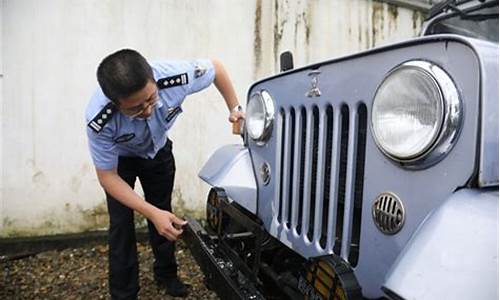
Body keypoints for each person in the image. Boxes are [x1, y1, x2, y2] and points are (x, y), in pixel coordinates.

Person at [85, 49, 243, 299]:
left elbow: (216, 68)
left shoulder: (175, 76)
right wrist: (149, 212)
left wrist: (235, 107)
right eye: (135, 109)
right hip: (121, 163)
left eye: (151, 99)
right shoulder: (99, 119)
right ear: (115, 104)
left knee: (163, 210)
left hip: (158, 152)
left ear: (153, 78)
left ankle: (167, 275)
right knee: (121, 224)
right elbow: (107, 177)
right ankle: (123, 292)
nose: (147, 110)